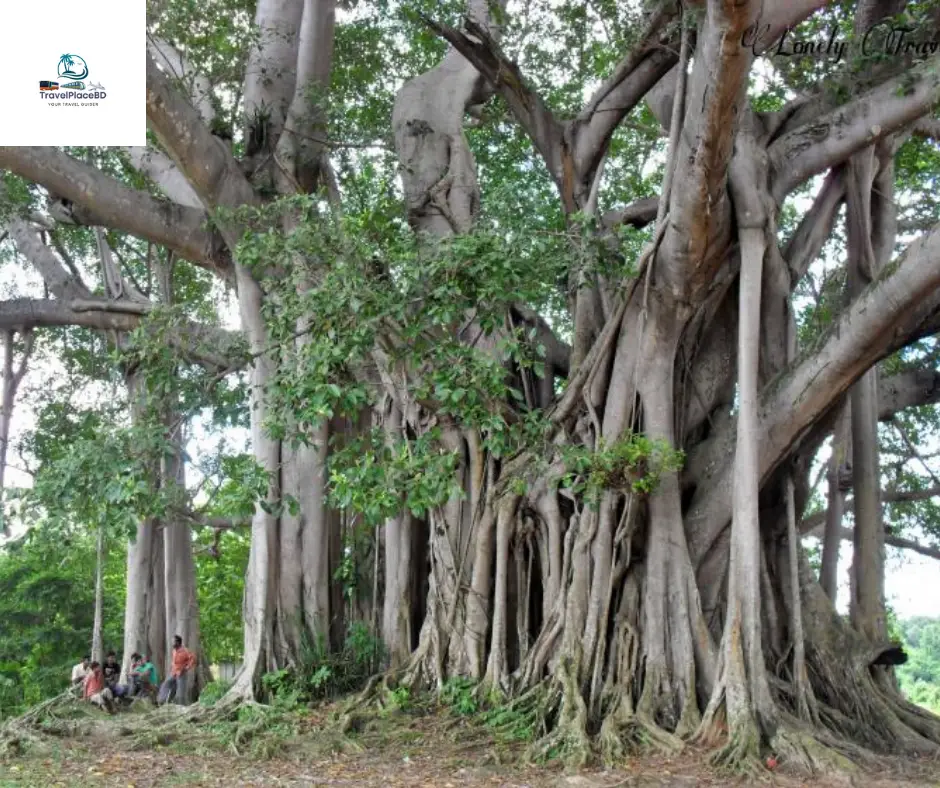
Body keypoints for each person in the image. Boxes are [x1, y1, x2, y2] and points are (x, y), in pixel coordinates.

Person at [158, 635, 196, 706]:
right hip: (173, 673)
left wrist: (186, 668)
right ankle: (164, 702)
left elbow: (193, 659)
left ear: (178, 642)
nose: (172, 642)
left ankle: (183, 707)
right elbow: (174, 661)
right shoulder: (174, 651)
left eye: (173, 641)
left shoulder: (185, 651)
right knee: (166, 684)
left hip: (181, 674)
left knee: (181, 692)